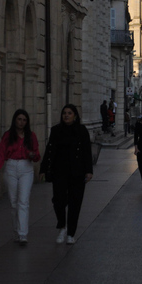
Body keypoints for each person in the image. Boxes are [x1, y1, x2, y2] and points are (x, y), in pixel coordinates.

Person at [39, 104, 93, 245]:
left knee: (75, 203)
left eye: (69, 113)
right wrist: (44, 168)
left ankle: (71, 233)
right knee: (58, 200)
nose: (66, 115)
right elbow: (50, 150)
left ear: (75, 115)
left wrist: (88, 170)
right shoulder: (56, 130)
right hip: (59, 171)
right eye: (64, 113)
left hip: (77, 172)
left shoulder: (81, 131)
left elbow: (87, 151)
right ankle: (62, 225)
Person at [0, 109, 41, 244]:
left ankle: (23, 234)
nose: (21, 122)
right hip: (11, 167)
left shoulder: (31, 136)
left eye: (24, 120)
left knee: (23, 201)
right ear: (14, 120)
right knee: (14, 202)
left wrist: (33, 155)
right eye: (19, 119)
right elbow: (0, 155)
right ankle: (16, 230)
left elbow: (37, 154)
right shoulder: (7, 136)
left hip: (26, 168)